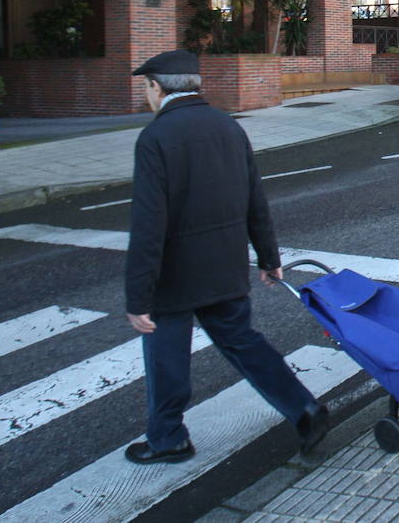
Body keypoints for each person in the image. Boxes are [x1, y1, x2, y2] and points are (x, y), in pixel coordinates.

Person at [124, 50, 328, 464]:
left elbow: (149, 224)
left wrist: (137, 296)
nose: (147, 94)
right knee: (244, 344)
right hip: (225, 264)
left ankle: (168, 439)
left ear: (157, 88)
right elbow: (255, 198)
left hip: (175, 273)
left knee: (167, 355)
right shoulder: (228, 127)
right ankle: (305, 409)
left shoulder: (155, 138)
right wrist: (269, 256)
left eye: (147, 86)